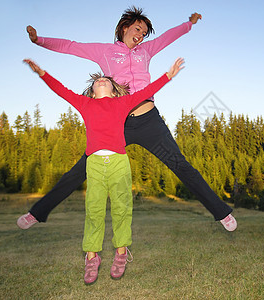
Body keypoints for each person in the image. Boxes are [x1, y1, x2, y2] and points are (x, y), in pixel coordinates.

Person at [17, 6, 237, 232]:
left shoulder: (146, 50)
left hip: (149, 120)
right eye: (138, 29)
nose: (141, 35)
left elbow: (168, 37)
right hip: (116, 122)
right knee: (81, 170)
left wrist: (189, 24)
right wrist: (38, 40)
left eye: (144, 33)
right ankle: (37, 212)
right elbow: (71, 46)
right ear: (124, 28)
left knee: (180, 164)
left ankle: (221, 212)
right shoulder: (104, 51)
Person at [24, 57, 184, 284]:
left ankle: (120, 253)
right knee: (94, 210)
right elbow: (61, 90)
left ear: (115, 90)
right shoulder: (85, 104)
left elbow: (146, 91)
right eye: (97, 81)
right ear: (91, 92)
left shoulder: (123, 103)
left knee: (122, 208)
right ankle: (92, 257)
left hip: (119, 162)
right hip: (95, 164)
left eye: (105, 80)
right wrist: (42, 72)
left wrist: (168, 75)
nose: (101, 81)